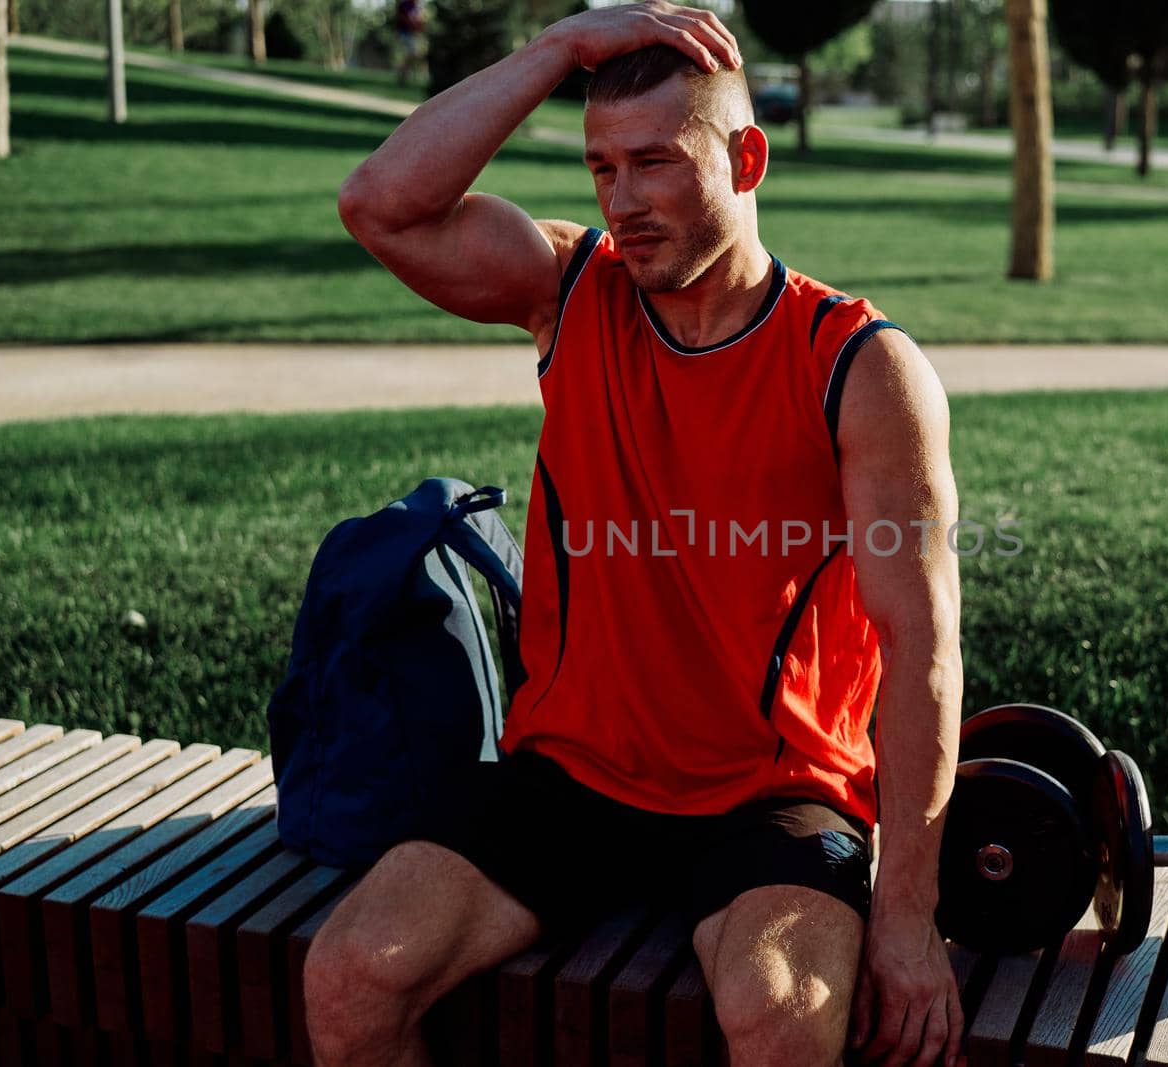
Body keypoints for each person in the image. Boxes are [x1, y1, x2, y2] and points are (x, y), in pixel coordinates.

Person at [309, 4, 967, 1067]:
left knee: (781, 1017)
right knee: (349, 977)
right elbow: (380, 204)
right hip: (571, 773)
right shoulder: (570, 292)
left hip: (773, 792)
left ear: (746, 158)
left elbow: (923, 652)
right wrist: (564, 46)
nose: (622, 201)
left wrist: (905, 917)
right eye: (602, 168)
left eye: (654, 162)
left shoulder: (856, 364)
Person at [393, 0, 425, 86]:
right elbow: (404, 17)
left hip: (413, 34)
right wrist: (414, 24)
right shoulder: (405, 4)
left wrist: (419, 26)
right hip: (404, 33)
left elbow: (420, 20)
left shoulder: (418, 6)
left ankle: (403, 73)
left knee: (412, 55)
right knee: (410, 54)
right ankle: (401, 72)